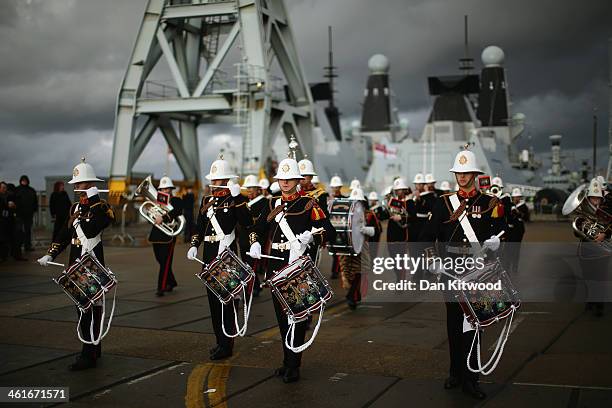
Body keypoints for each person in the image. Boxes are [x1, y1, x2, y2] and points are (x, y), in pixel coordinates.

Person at [420, 147, 506, 400]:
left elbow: (504, 231)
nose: (462, 176)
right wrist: (432, 261)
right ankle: (455, 372)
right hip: (449, 272)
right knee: (454, 325)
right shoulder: (443, 202)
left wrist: (496, 243)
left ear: (475, 174)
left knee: (474, 324)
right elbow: (426, 237)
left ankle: (471, 378)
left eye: (466, 172)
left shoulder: (490, 203)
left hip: (477, 272)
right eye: (459, 172)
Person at [248, 153, 335, 383]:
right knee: (281, 317)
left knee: (295, 317)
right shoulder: (271, 203)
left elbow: (328, 229)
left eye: (289, 179)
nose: (285, 182)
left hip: (296, 265)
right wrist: (255, 242)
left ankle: (294, 365)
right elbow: (256, 228)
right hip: (276, 265)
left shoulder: (309, 204)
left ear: (297, 180)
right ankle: (287, 361)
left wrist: (312, 235)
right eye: (281, 179)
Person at [37, 158, 115, 370]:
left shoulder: (102, 206)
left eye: (80, 184)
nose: (76, 187)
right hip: (75, 264)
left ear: (90, 184)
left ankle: (88, 353)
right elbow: (64, 234)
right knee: (82, 309)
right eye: (76, 184)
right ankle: (92, 348)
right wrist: (51, 254)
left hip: (93, 263)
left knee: (91, 308)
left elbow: (95, 228)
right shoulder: (74, 208)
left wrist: (94, 199)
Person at [187, 155, 255, 360]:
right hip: (209, 255)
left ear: (227, 181)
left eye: (218, 180)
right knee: (213, 303)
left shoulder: (235, 199)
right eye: (213, 180)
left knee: (226, 302)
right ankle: (219, 341)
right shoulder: (206, 200)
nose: (214, 183)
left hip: (226, 255)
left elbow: (247, 222)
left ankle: (227, 343)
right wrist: (194, 245)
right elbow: (199, 227)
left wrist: (238, 199)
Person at [340, 188, 380, 309]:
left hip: (362, 246)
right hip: (347, 246)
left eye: (358, 201)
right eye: (354, 200)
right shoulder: (345, 213)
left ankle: (352, 296)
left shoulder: (369, 214)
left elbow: (376, 231)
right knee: (347, 272)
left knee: (360, 272)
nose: (356, 203)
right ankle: (353, 295)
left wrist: (366, 229)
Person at [576, 178, 610, 317]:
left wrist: (604, 234)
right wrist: (582, 228)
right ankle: (590, 302)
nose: (595, 201)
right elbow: (575, 230)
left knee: (600, 278)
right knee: (587, 277)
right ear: (588, 198)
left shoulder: (605, 212)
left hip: (602, 250)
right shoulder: (582, 212)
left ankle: (599, 305)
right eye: (592, 198)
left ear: (601, 199)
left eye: (597, 199)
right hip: (586, 249)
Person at [148, 176, 183, 296]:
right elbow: (151, 220)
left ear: (171, 189)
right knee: (160, 260)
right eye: (163, 189)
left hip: (168, 236)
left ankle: (161, 287)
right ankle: (171, 282)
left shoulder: (176, 200)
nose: (165, 191)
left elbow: (178, 210)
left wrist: (162, 217)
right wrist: (151, 213)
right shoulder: (157, 202)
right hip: (156, 235)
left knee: (164, 262)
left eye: (167, 188)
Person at [506, 188, 529, 273]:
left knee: (516, 249)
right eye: (515, 197)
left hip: (518, 230)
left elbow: (526, 218)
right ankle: (507, 267)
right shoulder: (509, 205)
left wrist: (518, 213)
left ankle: (514, 267)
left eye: (518, 197)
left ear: (520, 197)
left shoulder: (523, 206)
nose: (516, 198)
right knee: (508, 249)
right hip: (509, 230)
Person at [328, 175, 346, 279]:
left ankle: (336, 271)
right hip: (332, 227)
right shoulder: (327, 199)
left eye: (337, 187)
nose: (335, 189)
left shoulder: (345, 199)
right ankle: (337, 270)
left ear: (340, 187)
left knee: (339, 251)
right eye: (334, 187)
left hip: (342, 228)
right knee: (334, 251)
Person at [15, 175, 38, 252]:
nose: (24, 182)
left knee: (28, 231)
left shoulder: (31, 190)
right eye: (23, 180)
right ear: (20, 181)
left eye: (25, 180)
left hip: (29, 213)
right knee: (19, 231)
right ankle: (18, 247)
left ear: (27, 181)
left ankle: (27, 246)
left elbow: (35, 201)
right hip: (19, 214)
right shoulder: (17, 190)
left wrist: (35, 209)